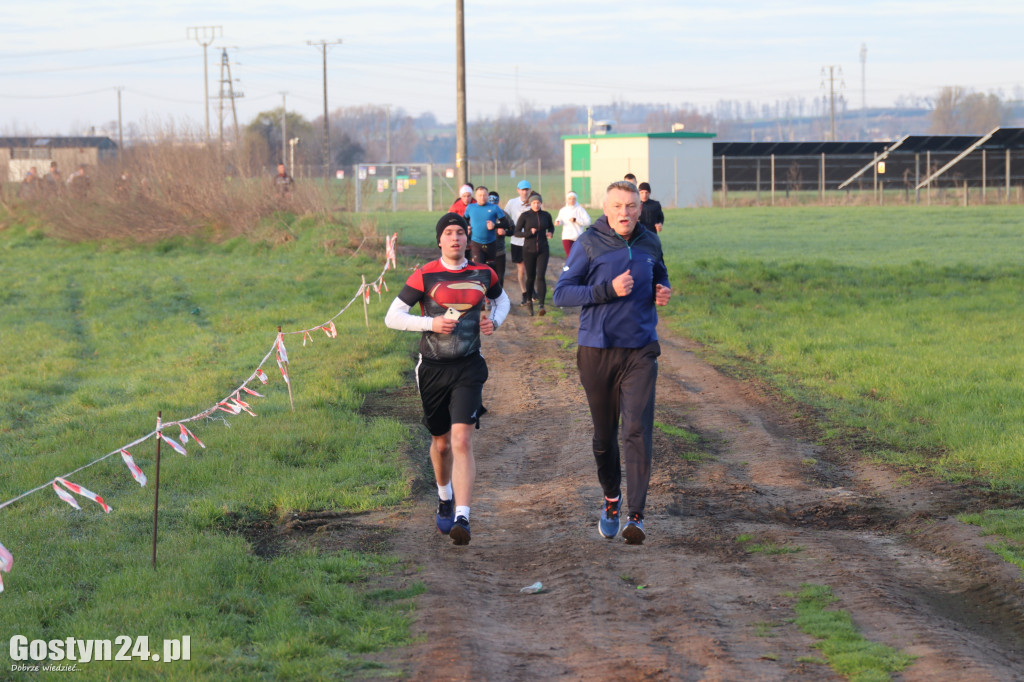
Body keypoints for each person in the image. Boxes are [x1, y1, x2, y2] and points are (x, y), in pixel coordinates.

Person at [552, 180, 671, 545]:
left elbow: (659, 272)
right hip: (597, 351)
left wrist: (662, 288)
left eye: (632, 206)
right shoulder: (589, 242)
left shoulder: (650, 240)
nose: (625, 213)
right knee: (605, 436)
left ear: (640, 208)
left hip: (640, 350)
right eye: (618, 206)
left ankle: (636, 516)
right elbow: (561, 294)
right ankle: (611, 499)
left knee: (636, 430)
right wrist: (606, 290)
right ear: (606, 209)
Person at [384, 213, 511, 546]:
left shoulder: (484, 273)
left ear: (468, 239)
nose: (455, 238)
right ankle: (444, 496)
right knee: (440, 444)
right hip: (432, 369)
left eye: (460, 233)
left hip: (469, 367)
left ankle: (463, 517)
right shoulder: (424, 275)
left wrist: (494, 321)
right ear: (440, 240)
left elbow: (502, 299)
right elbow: (392, 317)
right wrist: (430, 324)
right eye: (448, 233)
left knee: (462, 441)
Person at [514, 192, 555, 316]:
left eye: (538, 203)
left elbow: (551, 227)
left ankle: (541, 305)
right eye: (534, 203)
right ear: (530, 203)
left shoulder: (546, 215)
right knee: (530, 277)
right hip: (528, 250)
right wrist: (528, 233)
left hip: (543, 249)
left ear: (541, 203)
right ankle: (529, 301)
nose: (536, 205)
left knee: (541, 276)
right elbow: (516, 232)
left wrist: (550, 233)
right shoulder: (525, 216)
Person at [503, 180, 533, 307]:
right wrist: (506, 228)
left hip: (530, 241)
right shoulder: (512, 202)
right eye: (522, 189)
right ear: (518, 190)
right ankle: (524, 292)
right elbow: (504, 216)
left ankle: (531, 290)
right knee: (521, 270)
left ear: (529, 191)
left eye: (527, 189)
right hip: (516, 241)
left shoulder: (534, 202)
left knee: (530, 269)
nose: (525, 192)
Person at [464, 185, 504, 267]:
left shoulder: (494, 207)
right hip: (476, 243)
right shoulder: (470, 207)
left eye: (484, 195)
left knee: (491, 268)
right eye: (480, 195)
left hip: (491, 243)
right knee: (479, 267)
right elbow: (464, 220)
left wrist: (495, 225)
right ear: (475, 196)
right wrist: (467, 227)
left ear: (488, 196)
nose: (482, 197)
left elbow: (505, 223)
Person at [554, 190, 592, 257]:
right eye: (570, 199)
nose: (572, 200)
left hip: (578, 237)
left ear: (576, 199)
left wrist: (576, 220)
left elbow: (588, 221)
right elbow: (560, 219)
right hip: (566, 237)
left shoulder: (580, 209)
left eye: (573, 199)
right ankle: (570, 267)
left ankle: (577, 267)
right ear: (567, 199)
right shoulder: (563, 210)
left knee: (577, 256)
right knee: (570, 256)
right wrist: (558, 222)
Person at [487, 190, 511, 286]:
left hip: (500, 251)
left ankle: (500, 299)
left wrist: (505, 232)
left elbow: (513, 229)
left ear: (498, 202)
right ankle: (487, 299)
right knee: (488, 277)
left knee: (500, 277)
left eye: (495, 202)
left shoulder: (503, 214)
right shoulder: (483, 213)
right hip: (486, 251)